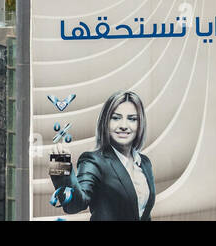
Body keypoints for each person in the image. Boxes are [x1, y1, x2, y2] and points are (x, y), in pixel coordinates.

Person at [50, 90, 155, 221]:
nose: (124, 125)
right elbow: (74, 205)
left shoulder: (145, 163)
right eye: (116, 118)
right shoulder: (93, 161)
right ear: (106, 122)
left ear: (140, 124)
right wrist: (60, 166)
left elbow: (144, 214)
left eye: (132, 119)